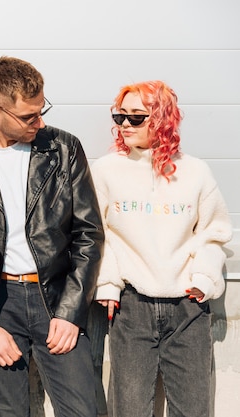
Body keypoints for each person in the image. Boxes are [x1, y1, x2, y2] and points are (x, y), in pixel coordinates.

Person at [0, 56, 104, 417]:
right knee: (8, 412)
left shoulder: (63, 148)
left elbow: (88, 234)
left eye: (42, 110)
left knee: (83, 410)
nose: (40, 122)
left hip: (54, 295)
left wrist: (70, 312)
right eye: (28, 117)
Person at [92, 80, 232, 417]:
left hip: (188, 307)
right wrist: (107, 282)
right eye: (119, 116)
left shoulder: (195, 172)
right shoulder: (106, 170)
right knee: (129, 410)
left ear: (162, 119)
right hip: (131, 307)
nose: (124, 124)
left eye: (136, 117)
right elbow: (97, 233)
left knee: (193, 409)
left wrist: (204, 279)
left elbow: (215, 232)